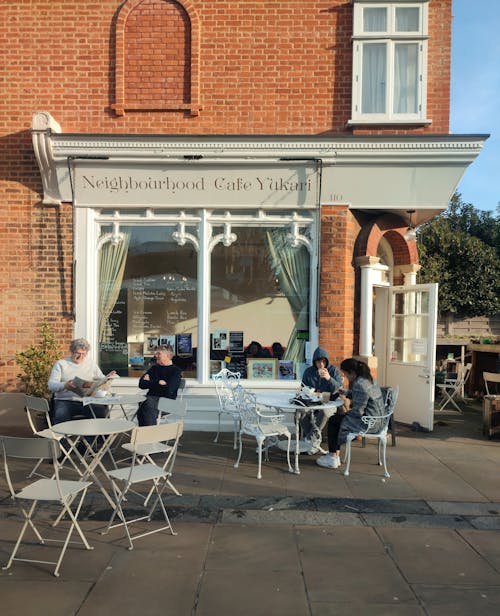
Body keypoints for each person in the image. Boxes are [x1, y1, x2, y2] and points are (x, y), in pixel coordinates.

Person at [316, 357, 385, 469]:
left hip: (369, 423)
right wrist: (347, 392)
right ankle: (334, 455)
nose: (345, 377)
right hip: (379, 420)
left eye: (345, 374)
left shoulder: (359, 384)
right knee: (337, 418)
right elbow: (362, 396)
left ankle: (333, 457)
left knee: (334, 420)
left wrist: (345, 414)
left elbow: (358, 411)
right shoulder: (368, 379)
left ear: (352, 373)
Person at [48, 338, 115, 424]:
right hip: (66, 400)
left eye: (84, 354)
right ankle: (62, 437)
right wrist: (65, 385)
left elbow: (100, 379)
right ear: (72, 352)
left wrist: (107, 378)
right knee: (61, 415)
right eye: (78, 353)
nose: (81, 357)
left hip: (87, 401)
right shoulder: (61, 364)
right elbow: (51, 385)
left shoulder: (91, 364)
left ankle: (95, 437)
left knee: (101, 413)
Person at [300, 347, 343, 449]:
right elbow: (303, 388)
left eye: (324, 362)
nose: (321, 365)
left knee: (325, 412)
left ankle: (310, 440)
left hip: (329, 402)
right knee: (300, 411)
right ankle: (313, 441)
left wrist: (329, 378)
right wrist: (308, 391)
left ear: (327, 361)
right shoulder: (309, 372)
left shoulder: (333, 371)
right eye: (319, 362)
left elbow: (339, 389)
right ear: (314, 362)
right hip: (311, 402)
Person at [137, 344, 182, 426]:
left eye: (158, 354)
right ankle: (145, 435)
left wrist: (150, 383)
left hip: (167, 403)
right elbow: (141, 384)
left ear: (167, 355)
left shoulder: (176, 371)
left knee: (145, 404)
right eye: (156, 353)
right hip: (150, 401)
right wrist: (158, 382)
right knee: (143, 403)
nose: (155, 356)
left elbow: (169, 390)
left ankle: (148, 435)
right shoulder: (154, 368)